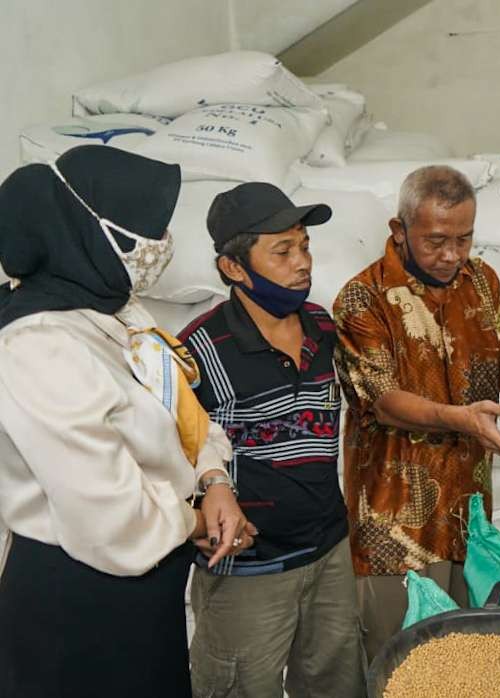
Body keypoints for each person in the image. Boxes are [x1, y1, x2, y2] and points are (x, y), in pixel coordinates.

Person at [0, 145, 249, 698]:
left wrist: (214, 480)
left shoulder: (117, 310)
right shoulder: (38, 346)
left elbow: (182, 408)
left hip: (147, 570)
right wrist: (195, 519)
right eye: (146, 234)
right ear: (83, 234)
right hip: (80, 593)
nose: (160, 247)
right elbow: (110, 517)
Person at [334, 165, 500, 660]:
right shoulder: (362, 299)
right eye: (435, 241)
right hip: (395, 525)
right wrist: (462, 418)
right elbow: (383, 399)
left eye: (464, 238)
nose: (452, 254)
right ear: (399, 231)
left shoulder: (482, 281)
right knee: (399, 659)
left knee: (461, 660)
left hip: (468, 513)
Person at [178, 182, 366, 697]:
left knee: (336, 684)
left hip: (328, 551)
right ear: (234, 268)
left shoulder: (323, 328)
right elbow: (173, 452)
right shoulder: (199, 349)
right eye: (282, 251)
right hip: (249, 571)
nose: (302, 262)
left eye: (304, 245)